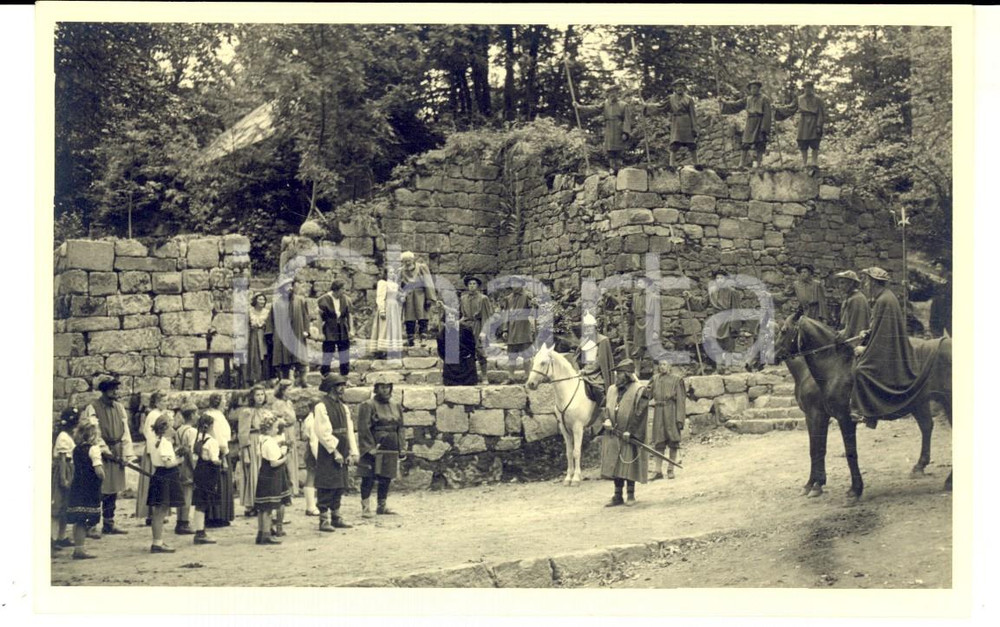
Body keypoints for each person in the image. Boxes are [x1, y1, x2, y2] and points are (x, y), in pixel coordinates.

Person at [850, 267, 920, 427]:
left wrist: (864, 349)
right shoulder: (885, 297)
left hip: (887, 349)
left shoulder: (883, 300)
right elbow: (880, 327)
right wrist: (867, 332)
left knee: (861, 371)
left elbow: (883, 336)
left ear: (874, 283)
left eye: (867, 281)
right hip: (885, 344)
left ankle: (866, 413)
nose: (865, 284)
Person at [81, 378, 134, 537]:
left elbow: (125, 432)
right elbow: (93, 432)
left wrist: (126, 454)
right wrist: (105, 450)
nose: (116, 392)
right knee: (99, 489)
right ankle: (91, 524)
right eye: (113, 389)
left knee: (113, 490)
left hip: (117, 451)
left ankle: (109, 523)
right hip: (99, 452)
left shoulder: (119, 408)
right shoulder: (93, 408)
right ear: (104, 390)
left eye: (117, 389)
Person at [600, 359, 652, 506]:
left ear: (628, 374)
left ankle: (630, 495)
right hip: (613, 434)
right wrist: (606, 420)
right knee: (615, 465)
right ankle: (617, 496)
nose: (617, 376)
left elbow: (640, 413)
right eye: (617, 373)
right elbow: (603, 408)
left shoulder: (640, 390)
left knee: (629, 465)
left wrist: (631, 431)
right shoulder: (612, 389)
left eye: (620, 373)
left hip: (628, 434)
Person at [355, 372, 407, 518]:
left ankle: (381, 506)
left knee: (386, 476)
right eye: (382, 387)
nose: (385, 390)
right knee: (368, 477)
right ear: (376, 389)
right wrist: (369, 448)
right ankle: (365, 507)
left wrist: (401, 446)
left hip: (391, 444)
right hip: (375, 445)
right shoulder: (368, 405)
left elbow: (401, 427)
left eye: (387, 387)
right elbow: (364, 428)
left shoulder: (395, 404)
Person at [312, 374, 359, 532]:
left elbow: (349, 429)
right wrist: (335, 451)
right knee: (327, 483)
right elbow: (323, 432)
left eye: (343, 385)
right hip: (329, 451)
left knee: (340, 483)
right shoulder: (321, 406)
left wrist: (353, 451)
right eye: (339, 385)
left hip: (343, 448)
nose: (342, 388)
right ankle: (324, 519)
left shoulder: (343, 407)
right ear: (331, 387)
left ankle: (336, 516)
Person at [572, 83, 634, 173]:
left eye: (615, 93)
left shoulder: (623, 105)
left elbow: (627, 120)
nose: (613, 95)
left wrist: (625, 132)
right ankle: (612, 169)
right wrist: (579, 106)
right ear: (608, 94)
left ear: (618, 93)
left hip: (619, 130)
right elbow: (593, 108)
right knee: (610, 150)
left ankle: (620, 169)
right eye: (611, 93)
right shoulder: (605, 104)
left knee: (619, 150)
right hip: (609, 129)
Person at [65, 420, 104, 559]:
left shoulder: (76, 449)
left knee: (78, 518)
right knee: (84, 518)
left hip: (78, 485)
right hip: (89, 486)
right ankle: (80, 550)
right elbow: (98, 470)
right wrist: (102, 478)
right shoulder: (94, 449)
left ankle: (78, 547)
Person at [147, 414, 185, 554]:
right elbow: (168, 464)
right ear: (165, 428)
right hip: (166, 476)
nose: (173, 428)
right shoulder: (165, 442)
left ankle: (158, 541)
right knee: (160, 511)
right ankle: (157, 542)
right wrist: (180, 460)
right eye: (170, 425)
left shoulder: (156, 441)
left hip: (160, 475)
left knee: (159, 511)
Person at [254, 413, 293, 545]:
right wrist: (285, 458)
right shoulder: (269, 442)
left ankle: (261, 532)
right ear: (269, 429)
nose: (277, 430)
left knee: (262, 507)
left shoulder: (261, 439)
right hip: (271, 476)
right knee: (268, 507)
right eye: (275, 428)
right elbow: (273, 463)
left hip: (263, 474)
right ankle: (266, 534)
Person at [644, 79, 699, 167]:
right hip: (676, 123)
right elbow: (660, 106)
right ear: (674, 88)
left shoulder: (689, 99)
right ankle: (671, 165)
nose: (679, 88)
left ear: (684, 88)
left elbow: (693, 114)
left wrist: (694, 128)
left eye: (681, 86)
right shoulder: (670, 98)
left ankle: (696, 163)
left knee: (691, 144)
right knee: (674, 144)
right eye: (677, 86)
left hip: (687, 123)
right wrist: (647, 107)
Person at [720, 78, 773, 169]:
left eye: (755, 88)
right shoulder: (747, 99)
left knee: (760, 143)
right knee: (745, 143)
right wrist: (723, 103)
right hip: (750, 122)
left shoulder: (765, 99)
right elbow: (736, 105)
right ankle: (741, 164)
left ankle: (759, 164)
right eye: (752, 88)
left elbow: (768, 114)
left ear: (759, 88)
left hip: (760, 122)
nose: (753, 90)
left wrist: (765, 127)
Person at [237, 384, 272, 517]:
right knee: (253, 473)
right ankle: (250, 505)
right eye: (257, 395)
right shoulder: (247, 412)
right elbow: (243, 433)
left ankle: (262, 503)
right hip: (252, 443)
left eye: (262, 394)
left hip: (264, 443)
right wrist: (245, 452)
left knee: (263, 473)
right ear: (252, 397)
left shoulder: (266, 411)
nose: (260, 397)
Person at [648, 360, 685, 481]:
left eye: (664, 364)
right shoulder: (655, 379)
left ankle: (670, 469)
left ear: (670, 366)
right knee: (659, 442)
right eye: (660, 365)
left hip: (671, 411)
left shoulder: (677, 380)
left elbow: (681, 401)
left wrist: (680, 419)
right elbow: (647, 394)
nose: (662, 367)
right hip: (659, 412)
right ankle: (658, 471)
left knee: (673, 441)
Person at [269, 278, 310, 387]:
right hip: (283, 335)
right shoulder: (276, 303)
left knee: (300, 359)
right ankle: (285, 382)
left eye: (290, 286)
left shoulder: (300, 300)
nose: (289, 289)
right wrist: (272, 335)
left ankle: (303, 381)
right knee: (284, 360)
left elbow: (306, 316)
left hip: (298, 332)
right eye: (285, 287)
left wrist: (306, 330)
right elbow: (271, 320)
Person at [775, 80, 825, 169]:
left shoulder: (818, 99)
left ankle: (814, 162)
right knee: (802, 141)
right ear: (804, 89)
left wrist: (819, 125)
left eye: (810, 87)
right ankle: (804, 162)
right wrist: (778, 108)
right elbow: (791, 108)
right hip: (804, 122)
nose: (808, 90)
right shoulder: (799, 99)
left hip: (814, 121)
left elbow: (821, 113)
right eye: (806, 88)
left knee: (815, 141)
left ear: (813, 88)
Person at [136, 391, 169, 525]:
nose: (166, 403)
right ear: (156, 402)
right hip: (154, 451)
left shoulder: (160, 414)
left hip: (159, 448)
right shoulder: (153, 415)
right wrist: (155, 451)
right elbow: (149, 434)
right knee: (152, 480)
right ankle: (151, 513)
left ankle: (157, 512)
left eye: (166, 401)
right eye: (163, 401)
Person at [203, 393, 234, 527]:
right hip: (219, 451)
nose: (225, 403)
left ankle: (212, 515)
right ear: (219, 403)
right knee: (220, 483)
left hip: (210, 449)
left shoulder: (208, 414)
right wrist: (225, 454)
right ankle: (218, 516)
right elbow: (220, 438)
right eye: (224, 401)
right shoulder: (217, 417)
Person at [51, 406, 80, 553]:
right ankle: (52, 538)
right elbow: (62, 459)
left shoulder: (68, 436)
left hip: (70, 468)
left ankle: (61, 537)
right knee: (58, 505)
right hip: (64, 470)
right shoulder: (63, 437)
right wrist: (63, 478)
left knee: (65, 507)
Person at [190, 412, 221, 545]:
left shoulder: (198, 440)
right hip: (208, 472)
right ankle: (200, 532)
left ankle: (199, 529)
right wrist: (220, 462)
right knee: (203, 502)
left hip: (199, 471)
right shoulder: (212, 441)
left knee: (199, 502)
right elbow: (214, 460)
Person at [577, 311, 614, 421]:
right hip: (583, 371)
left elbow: (599, 362)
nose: (588, 330)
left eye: (590, 328)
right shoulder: (584, 341)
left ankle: (606, 417)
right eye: (586, 328)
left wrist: (585, 371)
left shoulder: (602, 340)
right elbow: (578, 357)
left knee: (599, 390)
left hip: (597, 374)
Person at [399, 251, 440, 346]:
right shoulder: (401, 270)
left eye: (409, 261)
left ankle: (423, 338)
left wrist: (429, 298)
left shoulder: (421, 267)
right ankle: (410, 338)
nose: (407, 263)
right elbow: (399, 285)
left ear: (413, 260)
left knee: (423, 316)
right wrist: (400, 295)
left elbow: (428, 282)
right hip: (408, 296)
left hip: (420, 295)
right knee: (409, 318)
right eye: (405, 261)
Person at [270, 379, 301, 499]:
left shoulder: (289, 403)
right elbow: (276, 420)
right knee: (284, 458)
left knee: (291, 458)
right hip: (283, 432)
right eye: (289, 389)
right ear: (282, 390)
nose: (290, 392)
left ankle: (293, 488)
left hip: (291, 432)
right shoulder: (277, 404)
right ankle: (284, 490)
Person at [172, 402, 199, 536]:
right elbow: (191, 451)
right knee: (187, 493)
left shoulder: (179, 430)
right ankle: (184, 522)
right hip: (188, 464)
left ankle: (179, 520)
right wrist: (195, 468)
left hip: (179, 464)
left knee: (181, 492)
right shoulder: (192, 431)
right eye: (196, 414)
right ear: (192, 415)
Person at [501, 278, 536, 378]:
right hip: (512, 331)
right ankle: (511, 377)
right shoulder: (508, 298)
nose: (514, 285)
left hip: (524, 329)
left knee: (527, 355)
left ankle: (527, 376)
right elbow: (506, 315)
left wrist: (533, 304)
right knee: (511, 355)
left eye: (516, 283)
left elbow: (533, 311)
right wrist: (505, 329)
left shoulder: (527, 296)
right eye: (512, 283)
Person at [318, 279, 354, 377]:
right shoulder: (324, 299)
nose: (344, 291)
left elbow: (349, 315)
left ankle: (344, 376)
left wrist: (351, 330)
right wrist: (320, 333)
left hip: (342, 328)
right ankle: (325, 375)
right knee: (328, 352)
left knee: (344, 352)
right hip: (329, 328)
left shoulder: (346, 299)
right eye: (343, 289)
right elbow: (319, 317)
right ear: (336, 289)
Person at [459, 275, 494, 378]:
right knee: (467, 351)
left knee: (480, 351)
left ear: (478, 286)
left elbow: (486, 317)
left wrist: (484, 331)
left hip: (478, 326)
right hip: (466, 327)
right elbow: (463, 315)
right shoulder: (463, 298)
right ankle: (470, 376)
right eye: (470, 284)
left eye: (474, 284)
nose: (472, 286)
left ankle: (484, 376)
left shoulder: (483, 299)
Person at [438, 306, 479, 386]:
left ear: (456, 318)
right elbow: (441, 349)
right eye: (448, 318)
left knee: (469, 380)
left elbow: (472, 345)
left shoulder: (466, 329)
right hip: (451, 360)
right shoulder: (442, 333)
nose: (450, 320)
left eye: (452, 317)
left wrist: (468, 355)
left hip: (465, 358)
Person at [708, 274, 740, 373]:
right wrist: (690, 297)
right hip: (716, 322)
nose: (719, 280)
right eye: (717, 278)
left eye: (721, 278)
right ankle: (719, 367)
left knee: (729, 345)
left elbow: (736, 309)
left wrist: (735, 324)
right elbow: (701, 303)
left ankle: (728, 367)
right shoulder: (712, 292)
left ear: (725, 280)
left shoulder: (732, 292)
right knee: (716, 345)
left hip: (728, 321)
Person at [371, 267, 404, 358]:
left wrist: (401, 298)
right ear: (386, 273)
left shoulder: (395, 285)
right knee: (384, 327)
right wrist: (382, 309)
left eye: (393, 272)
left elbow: (396, 296)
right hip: (387, 306)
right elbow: (380, 297)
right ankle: (382, 350)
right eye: (390, 272)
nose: (392, 274)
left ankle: (393, 350)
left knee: (394, 327)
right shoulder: (382, 283)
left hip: (394, 307)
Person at [833, 270, 870, 342]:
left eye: (843, 283)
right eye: (839, 283)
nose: (840, 286)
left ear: (851, 283)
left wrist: (839, 337)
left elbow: (854, 327)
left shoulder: (856, 299)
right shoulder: (850, 298)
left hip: (856, 340)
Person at [247, 293, 272, 385]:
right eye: (260, 299)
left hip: (264, 335)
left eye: (263, 299)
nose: (262, 301)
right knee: (254, 356)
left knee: (265, 356)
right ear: (255, 300)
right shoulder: (250, 311)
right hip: (253, 335)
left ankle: (265, 378)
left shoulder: (267, 312)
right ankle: (254, 378)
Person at [301, 404, 321, 517]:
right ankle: (310, 506)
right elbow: (314, 441)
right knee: (311, 476)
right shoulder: (312, 420)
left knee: (314, 476)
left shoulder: (312, 418)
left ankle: (314, 504)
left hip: (315, 450)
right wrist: (318, 457)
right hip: (315, 451)